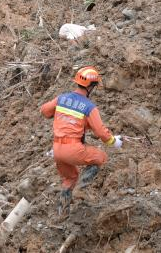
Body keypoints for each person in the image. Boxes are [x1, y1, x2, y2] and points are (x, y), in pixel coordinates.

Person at [39, 66, 122, 214]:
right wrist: (113, 141)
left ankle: (62, 213)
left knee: (70, 178)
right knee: (101, 157)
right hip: (73, 149)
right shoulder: (89, 107)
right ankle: (81, 190)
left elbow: (45, 111)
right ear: (91, 86)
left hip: (57, 149)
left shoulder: (61, 98)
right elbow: (100, 131)